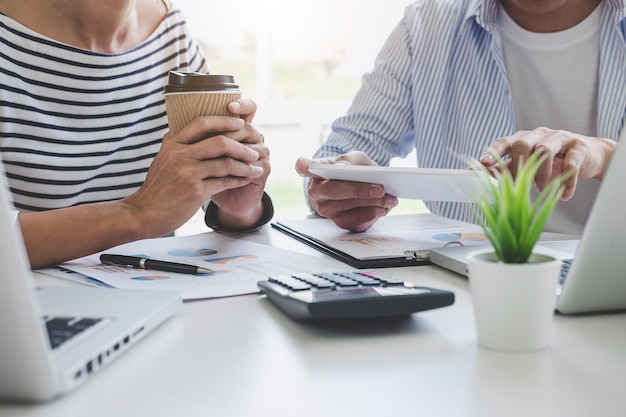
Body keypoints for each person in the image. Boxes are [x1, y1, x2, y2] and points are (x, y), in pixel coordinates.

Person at [295, 0, 619, 235]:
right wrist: (335, 187)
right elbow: (347, 150)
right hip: (462, 277)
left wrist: (608, 159)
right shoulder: (426, 27)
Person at [0, 0, 273, 269]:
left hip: (155, 298)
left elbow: (208, 184)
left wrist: (237, 205)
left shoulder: (170, 32)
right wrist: (136, 215)